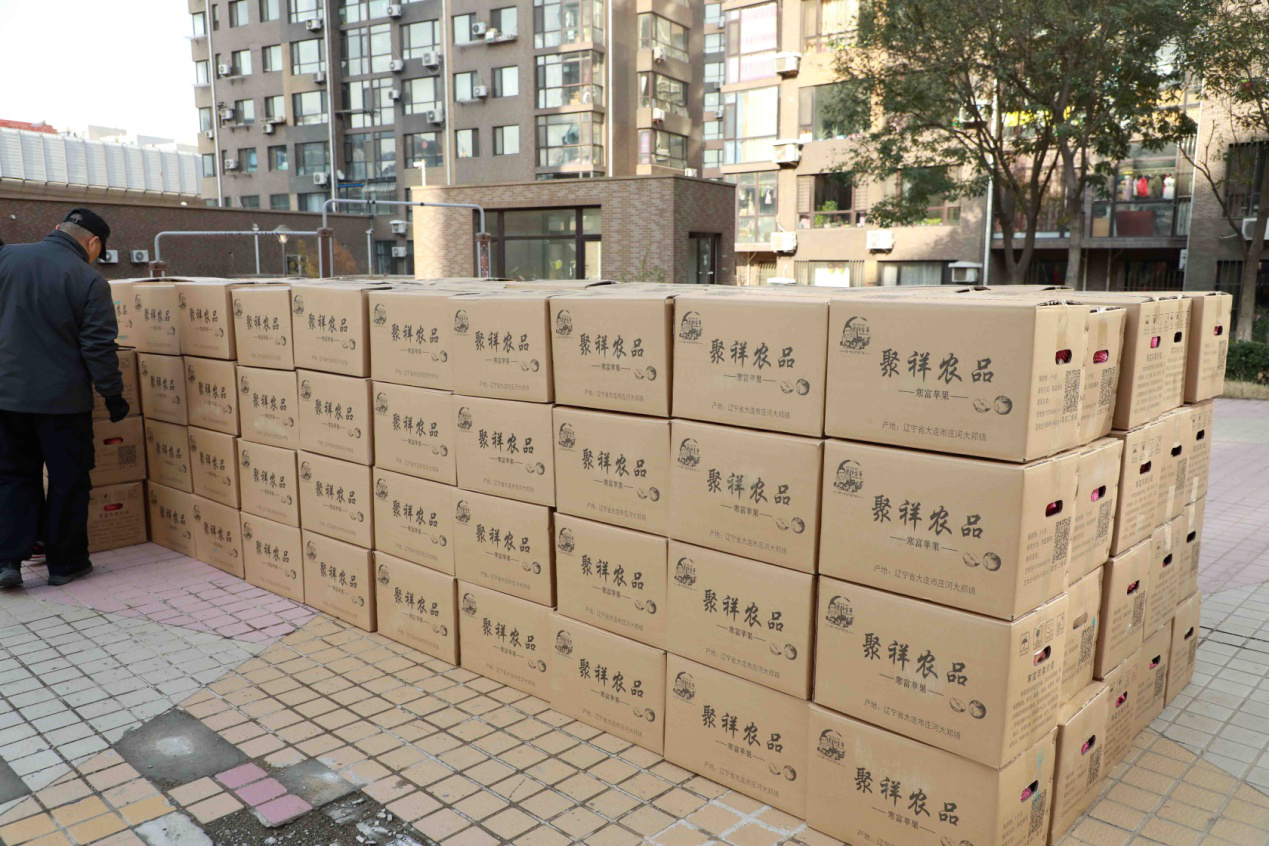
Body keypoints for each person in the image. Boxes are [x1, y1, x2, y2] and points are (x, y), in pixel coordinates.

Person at [0, 209, 129, 589]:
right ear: (93, 243)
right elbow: (98, 347)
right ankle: (65, 564)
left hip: (6, 397)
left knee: (12, 476)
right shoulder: (88, 279)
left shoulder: (6, 258)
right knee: (67, 480)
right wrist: (113, 395)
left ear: (57, 229)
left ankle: (8, 561)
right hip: (63, 403)